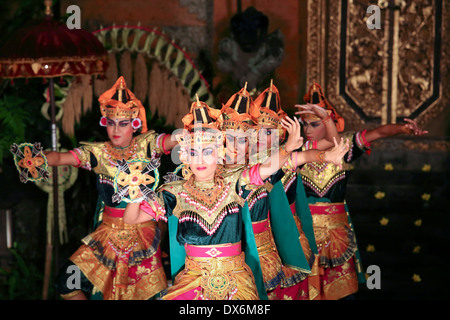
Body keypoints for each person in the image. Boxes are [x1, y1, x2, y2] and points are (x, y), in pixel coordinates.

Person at [123, 96, 308, 300]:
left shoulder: (235, 183)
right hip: (194, 279)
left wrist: (288, 147)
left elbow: (266, 168)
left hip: (236, 281)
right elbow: (132, 219)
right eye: (194, 152)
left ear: (220, 153)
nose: (200, 160)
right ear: (185, 156)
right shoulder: (174, 192)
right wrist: (134, 189)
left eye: (207, 151)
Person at [35, 76, 177, 300]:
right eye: (111, 123)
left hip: (142, 233)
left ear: (135, 124)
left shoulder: (147, 145)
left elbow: (171, 141)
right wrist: (37, 159)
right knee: (67, 281)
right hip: (106, 234)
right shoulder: (98, 153)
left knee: (141, 295)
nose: (116, 130)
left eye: (123, 124)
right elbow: (62, 158)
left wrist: (191, 135)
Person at [294, 81, 428, 300]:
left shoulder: (345, 145)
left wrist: (403, 128)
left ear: (332, 122)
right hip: (305, 231)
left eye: (315, 124)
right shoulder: (298, 149)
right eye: (305, 124)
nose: (308, 129)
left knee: (340, 291)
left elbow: (377, 133)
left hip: (335, 233)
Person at [220, 82, 349, 300]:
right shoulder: (233, 162)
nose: (262, 137)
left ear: (281, 133)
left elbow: (313, 152)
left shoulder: (282, 159)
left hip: (279, 239)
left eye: (268, 132)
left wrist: (325, 151)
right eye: (257, 132)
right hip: (239, 244)